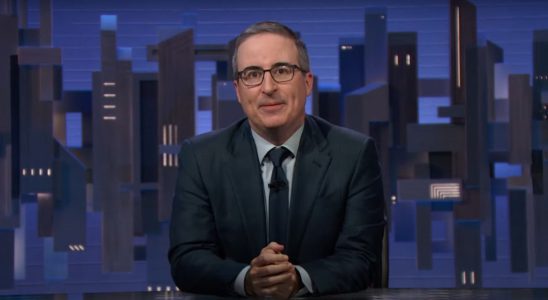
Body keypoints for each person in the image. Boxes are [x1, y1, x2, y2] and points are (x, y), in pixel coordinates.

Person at [168, 21, 385, 298]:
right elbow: (187, 258)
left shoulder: (354, 154)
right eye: (252, 74)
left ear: (307, 83)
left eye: (282, 71)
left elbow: (361, 259)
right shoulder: (201, 157)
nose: (268, 87)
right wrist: (247, 279)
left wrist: (297, 279)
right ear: (238, 90)